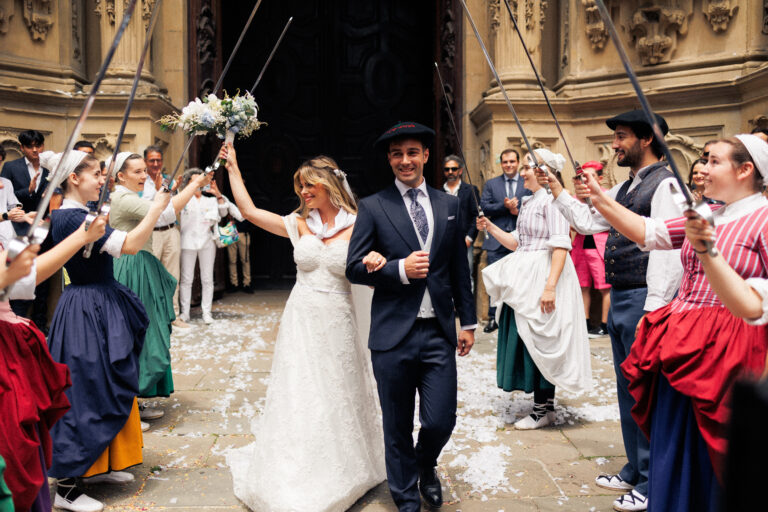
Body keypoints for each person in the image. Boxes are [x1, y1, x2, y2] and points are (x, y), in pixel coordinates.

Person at [579, 134, 768, 511]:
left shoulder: (762, 218)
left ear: (745, 170)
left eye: (714, 161)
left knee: (713, 450)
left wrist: (707, 250)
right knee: (674, 443)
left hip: (729, 350)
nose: (702, 169)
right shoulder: (710, 213)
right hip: (682, 340)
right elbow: (650, 233)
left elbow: (753, 303)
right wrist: (601, 200)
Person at [222, 144, 386, 512]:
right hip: (302, 319)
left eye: (309, 186)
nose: (303, 193)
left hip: (340, 319)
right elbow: (248, 212)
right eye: (300, 188)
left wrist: (378, 258)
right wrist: (233, 167)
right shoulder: (298, 224)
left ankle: (347, 465)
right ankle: (296, 466)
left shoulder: (361, 223)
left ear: (329, 185)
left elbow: (378, 261)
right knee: (301, 389)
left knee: (339, 388)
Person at [539, 110, 684, 512]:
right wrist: (557, 190)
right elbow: (588, 223)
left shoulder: (667, 184)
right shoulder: (624, 187)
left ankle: (655, 481)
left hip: (646, 300)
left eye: (621, 137)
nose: (614, 145)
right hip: (621, 299)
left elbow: (669, 253)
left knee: (648, 394)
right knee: (627, 391)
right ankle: (636, 469)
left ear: (647, 139)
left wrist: (655, 310)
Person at [346, 121, 476, 511]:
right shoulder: (372, 206)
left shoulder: (449, 205)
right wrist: (397, 269)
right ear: (389, 159)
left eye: (412, 152)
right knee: (397, 423)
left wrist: (467, 322)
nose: (406, 160)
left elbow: (458, 270)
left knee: (440, 420)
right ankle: (406, 500)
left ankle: (426, 465)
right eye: (397, 154)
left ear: (426, 156)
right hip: (392, 334)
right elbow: (353, 267)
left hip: (438, 332)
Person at [39, 149, 171, 512]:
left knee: (105, 383)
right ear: (73, 179)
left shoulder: (84, 213)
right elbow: (129, 245)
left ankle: (99, 465)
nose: (103, 179)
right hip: (85, 308)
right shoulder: (69, 217)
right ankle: (66, 487)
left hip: (100, 300)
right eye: (97, 174)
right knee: (84, 390)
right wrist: (156, 207)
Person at [480, 149, 592, 430]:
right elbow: (518, 242)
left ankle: (543, 410)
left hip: (545, 276)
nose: (523, 171)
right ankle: (545, 408)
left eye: (529, 167)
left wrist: (550, 287)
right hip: (525, 274)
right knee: (528, 336)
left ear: (545, 173)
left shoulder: (554, 203)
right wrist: (491, 227)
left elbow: (560, 245)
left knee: (542, 338)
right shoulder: (529, 202)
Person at [109, 152, 209, 418]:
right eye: (137, 172)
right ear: (120, 176)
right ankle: (127, 406)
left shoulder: (132, 197)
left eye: (145, 171)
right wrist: (193, 185)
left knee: (145, 333)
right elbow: (165, 214)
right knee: (139, 334)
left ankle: (134, 402)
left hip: (141, 263)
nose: (144, 176)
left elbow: (159, 208)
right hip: (131, 267)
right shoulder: (122, 198)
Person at [1, 130, 52, 332]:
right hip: (16, 232)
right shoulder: (11, 167)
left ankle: (40, 324)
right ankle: (16, 322)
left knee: (43, 277)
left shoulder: (50, 168)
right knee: (18, 277)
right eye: (30, 146)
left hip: (44, 230)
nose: (35, 150)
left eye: (38, 145)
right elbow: (8, 201)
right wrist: (29, 191)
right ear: (21, 148)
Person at [479, 148, 531, 332]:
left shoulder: (527, 181)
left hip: (522, 239)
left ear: (517, 163)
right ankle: (494, 318)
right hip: (496, 240)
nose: (508, 165)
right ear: (501, 164)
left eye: (512, 161)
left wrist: (519, 209)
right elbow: (484, 207)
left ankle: (517, 317)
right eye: (505, 162)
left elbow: (535, 202)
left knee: (519, 280)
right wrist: (504, 206)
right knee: (496, 281)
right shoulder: (492, 184)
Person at [140, 146, 187, 328]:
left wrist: (171, 189)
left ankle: (173, 315)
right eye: (152, 160)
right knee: (150, 275)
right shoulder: (141, 182)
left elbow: (174, 206)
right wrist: (159, 190)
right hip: (151, 233)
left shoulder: (169, 180)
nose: (156, 164)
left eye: (158, 160)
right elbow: (143, 207)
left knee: (172, 275)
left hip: (170, 231)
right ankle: (151, 317)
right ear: (145, 162)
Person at [178, 169, 229, 324]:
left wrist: (218, 194)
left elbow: (225, 212)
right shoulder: (183, 200)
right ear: (188, 184)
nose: (198, 185)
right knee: (186, 279)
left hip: (207, 241)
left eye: (200, 181)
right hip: (187, 242)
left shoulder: (210, 200)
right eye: (194, 182)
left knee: (207, 279)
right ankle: (185, 312)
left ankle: (206, 312)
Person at [570, 161, 611, 337]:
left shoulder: (607, 196)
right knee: (582, 285)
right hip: (580, 244)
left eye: (591, 176)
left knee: (604, 287)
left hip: (599, 244)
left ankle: (604, 324)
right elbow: (571, 224)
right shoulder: (574, 199)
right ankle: (585, 323)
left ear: (599, 179)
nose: (585, 180)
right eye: (582, 177)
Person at [442, 155, 479, 290]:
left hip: (465, 242)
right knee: (445, 275)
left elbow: (477, 216)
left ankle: (466, 310)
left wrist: (469, 238)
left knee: (466, 275)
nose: (450, 172)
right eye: (447, 169)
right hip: (444, 242)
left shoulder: (470, 190)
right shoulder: (439, 192)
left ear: (460, 170)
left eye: (453, 168)